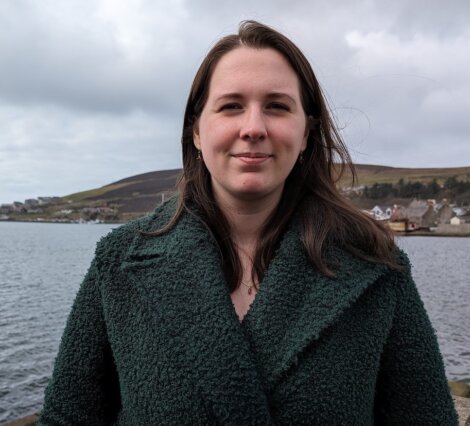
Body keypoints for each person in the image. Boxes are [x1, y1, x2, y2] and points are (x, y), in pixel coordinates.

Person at [39, 21, 458, 425]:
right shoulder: (120, 262)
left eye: (276, 106)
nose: (254, 127)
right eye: (231, 106)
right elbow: (67, 417)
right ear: (198, 132)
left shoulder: (375, 266)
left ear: (307, 133)